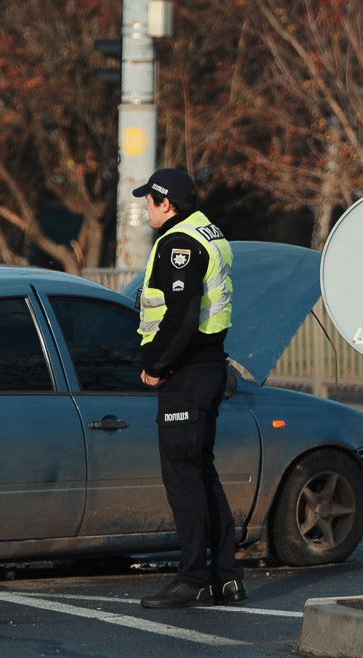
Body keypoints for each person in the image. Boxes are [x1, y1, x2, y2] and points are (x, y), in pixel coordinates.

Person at [132, 168, 246, 609]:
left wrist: (157, 366)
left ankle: (193, 577)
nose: (146, 209)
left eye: (150, 202)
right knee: (201, 473)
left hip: (187, 374)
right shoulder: (209, 231)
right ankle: (227, 577)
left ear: (168, 204)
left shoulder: (179, 243)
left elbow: (181, 316)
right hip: (208, 367)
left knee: (183, 478)